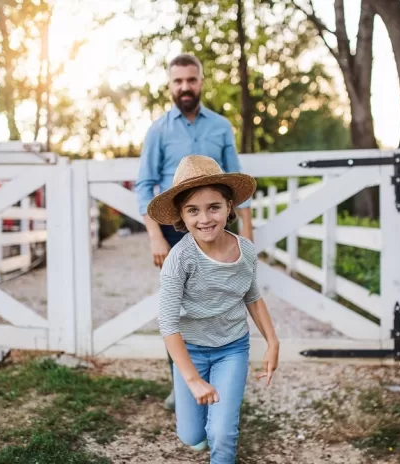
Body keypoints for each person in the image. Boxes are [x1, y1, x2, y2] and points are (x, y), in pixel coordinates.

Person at [135, 53, 255, 410]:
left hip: (218, 225)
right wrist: (155, 236)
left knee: (223, 302)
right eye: (178, 81)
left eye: (191, 80)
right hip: (174, 230)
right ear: (170, 85)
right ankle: (182, 381)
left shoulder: (220, 126)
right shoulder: (158, 130)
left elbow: (236, 182)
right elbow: (144, 184)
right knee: (179, 308)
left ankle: (222, 377)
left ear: (201, 82)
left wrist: (246, 233)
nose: (185, 87)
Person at [146, 155, 279, 462]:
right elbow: (167, 322)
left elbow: (252, 296)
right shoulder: (180, 259)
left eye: (213, 207)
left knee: (222, 432)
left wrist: (272, 341)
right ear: (181, 214)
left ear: (229, 206)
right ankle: (193, 410)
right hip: (191, 350)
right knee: (192, 435)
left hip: (232, 348)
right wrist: (191, 378)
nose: (204, 218)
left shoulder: (244, 249)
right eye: (193, 210)